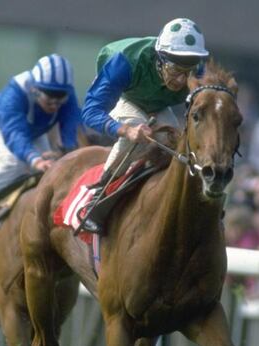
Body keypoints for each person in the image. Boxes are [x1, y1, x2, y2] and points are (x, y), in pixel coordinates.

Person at [78, 18, 209, 233]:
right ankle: (96, 200)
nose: (181, 80)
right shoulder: (124, 62)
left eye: (188, 71)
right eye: (175, 69)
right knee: (138, 135)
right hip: (127, 99)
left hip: (159, 106)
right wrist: (126, 131)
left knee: (179, 145)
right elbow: (90, 112)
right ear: (160, 58)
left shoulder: (198, 70)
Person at [0, 54, 81, 240]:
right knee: (14, 162)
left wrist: (65, 152)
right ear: (35, 90)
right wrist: (35, 159)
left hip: (33, 131)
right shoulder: (15, 93)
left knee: (52, 170)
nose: (55, 105)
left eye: (60, 99)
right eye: (49, 99)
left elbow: (71, 128)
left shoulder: (66, 94)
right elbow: (15, 134)